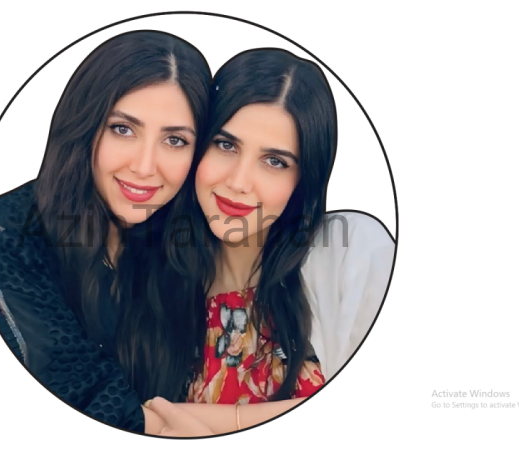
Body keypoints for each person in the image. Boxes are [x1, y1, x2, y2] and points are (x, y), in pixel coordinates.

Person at [0, 30, 214, 435]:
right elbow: (110, 417)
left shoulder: (172, 243)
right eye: (123, 129)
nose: (144, 166)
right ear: (84, 126)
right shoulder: (0, 242)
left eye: (174, 140)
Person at [152, 48, 396, 434]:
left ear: (304, 180)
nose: (238, 182)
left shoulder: (350, 252)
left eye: (275, 161)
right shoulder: (152, 279)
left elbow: (387, 406)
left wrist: (217, 424)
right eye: (226, 145)